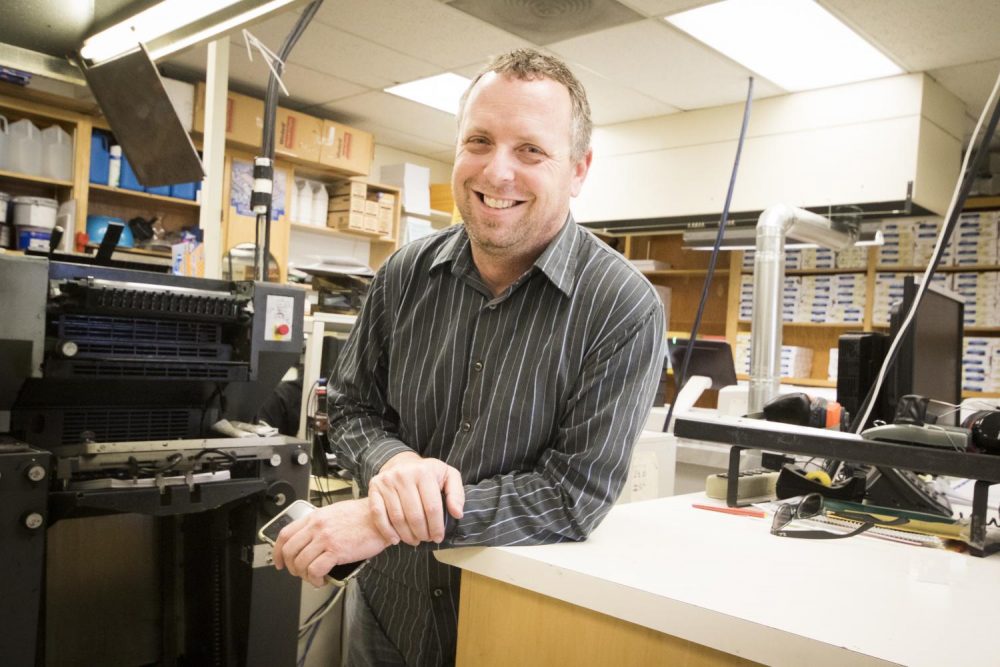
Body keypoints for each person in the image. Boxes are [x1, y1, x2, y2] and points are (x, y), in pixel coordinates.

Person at [272, 48, 665, 666]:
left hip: (510, 623)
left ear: (579, 169)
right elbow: (350, 406)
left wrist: (384, 520)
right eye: (479, 141)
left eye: (530, 150)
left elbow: (572, 497)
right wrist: (393, 462)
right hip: (387, 612)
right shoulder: (406, 272)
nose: (497, 172)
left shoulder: (621, 306)